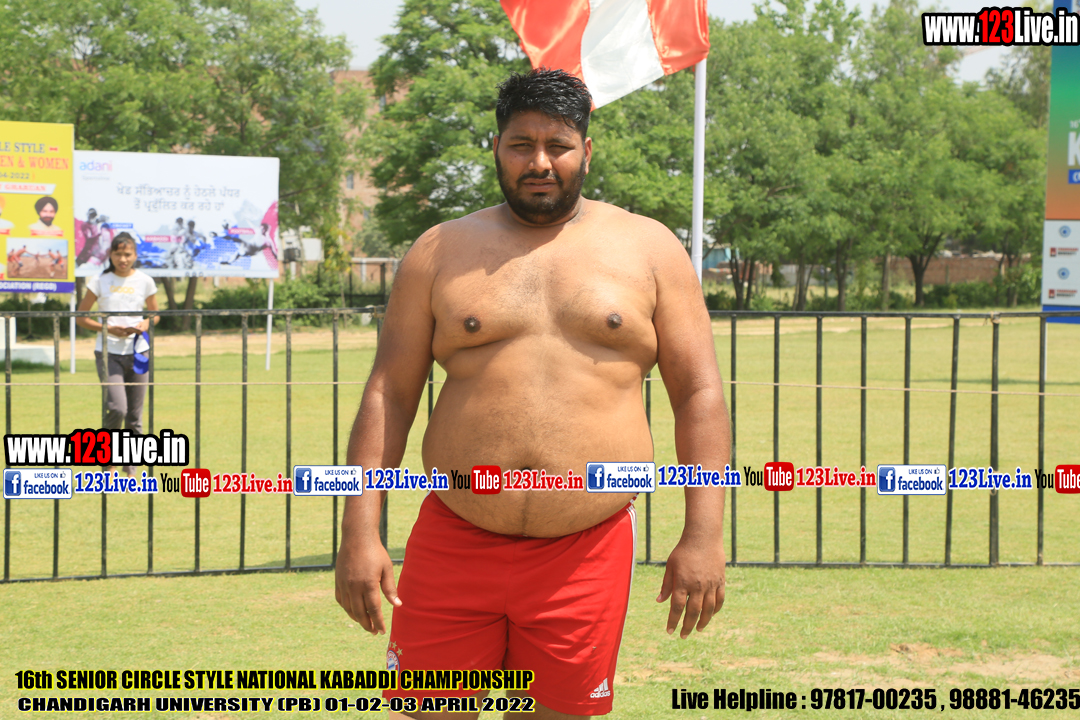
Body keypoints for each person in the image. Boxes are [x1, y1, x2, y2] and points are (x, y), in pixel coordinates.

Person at [335, 69, 730, 719]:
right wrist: (360, 530)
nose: (540, 162)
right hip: (455, 538)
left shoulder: (650, 248)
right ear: (496, 147)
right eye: (521, 144)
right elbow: (390, 395)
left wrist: (703, 534)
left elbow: (699, 393)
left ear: (587, 151)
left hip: (587, 547)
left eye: (558, 145)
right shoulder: (440, 250)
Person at [76, 233, 159, 478]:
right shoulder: (99, 281)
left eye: (128, 254)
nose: (123, 259)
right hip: (108, 352)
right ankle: (108, 464)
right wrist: (108, 328)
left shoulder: (145, 281)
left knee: (134, 414)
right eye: (118, 254)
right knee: (117, 408)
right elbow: (81, 317)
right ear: (110, 255)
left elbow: (155, 314)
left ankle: (131, 470)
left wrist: (145, 325)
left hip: (139, 352)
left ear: (135, 255)